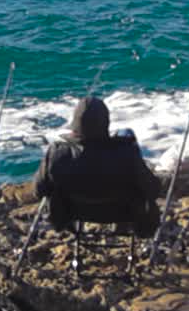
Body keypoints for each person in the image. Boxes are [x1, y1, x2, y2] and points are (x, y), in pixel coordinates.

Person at [34, 96, 163, 237]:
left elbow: (39, 190)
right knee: (126, 133)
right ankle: (122, 227)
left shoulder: (56, 152)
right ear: (105, 123)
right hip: (123, 212)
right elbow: (153, 189)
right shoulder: (127, 152)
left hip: (73, 213)